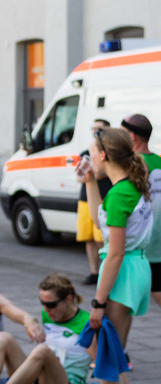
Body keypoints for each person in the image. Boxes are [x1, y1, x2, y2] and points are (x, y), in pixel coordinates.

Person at [71, 127, 154, 384]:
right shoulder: (130, 186)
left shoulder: (121, 193)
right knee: (109, 351)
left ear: (104, 155)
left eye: (93, 152)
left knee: (105, 354)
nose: (90, 157)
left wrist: (98, 302)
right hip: (134, 270)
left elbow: (114, 252)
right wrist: (90, 181)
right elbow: (99, 221)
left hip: (122, 273)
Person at [121, 114, 161, 308]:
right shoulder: (159, 160)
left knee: (155, 287)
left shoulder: (134, 164)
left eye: (123, 133)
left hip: (148, 239)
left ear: (133, 136)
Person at [77, 119, 113, 285]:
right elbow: (79, 176)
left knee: (101, 238)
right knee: (88, 238)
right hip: (85, 199)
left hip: (103, 198)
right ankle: (94, 272)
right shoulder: (85, 152)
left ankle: (106, 270)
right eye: (94, 129)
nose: (95, 132)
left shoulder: (111, 153)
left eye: (99, 129)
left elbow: (101, 173)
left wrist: (91, 174)